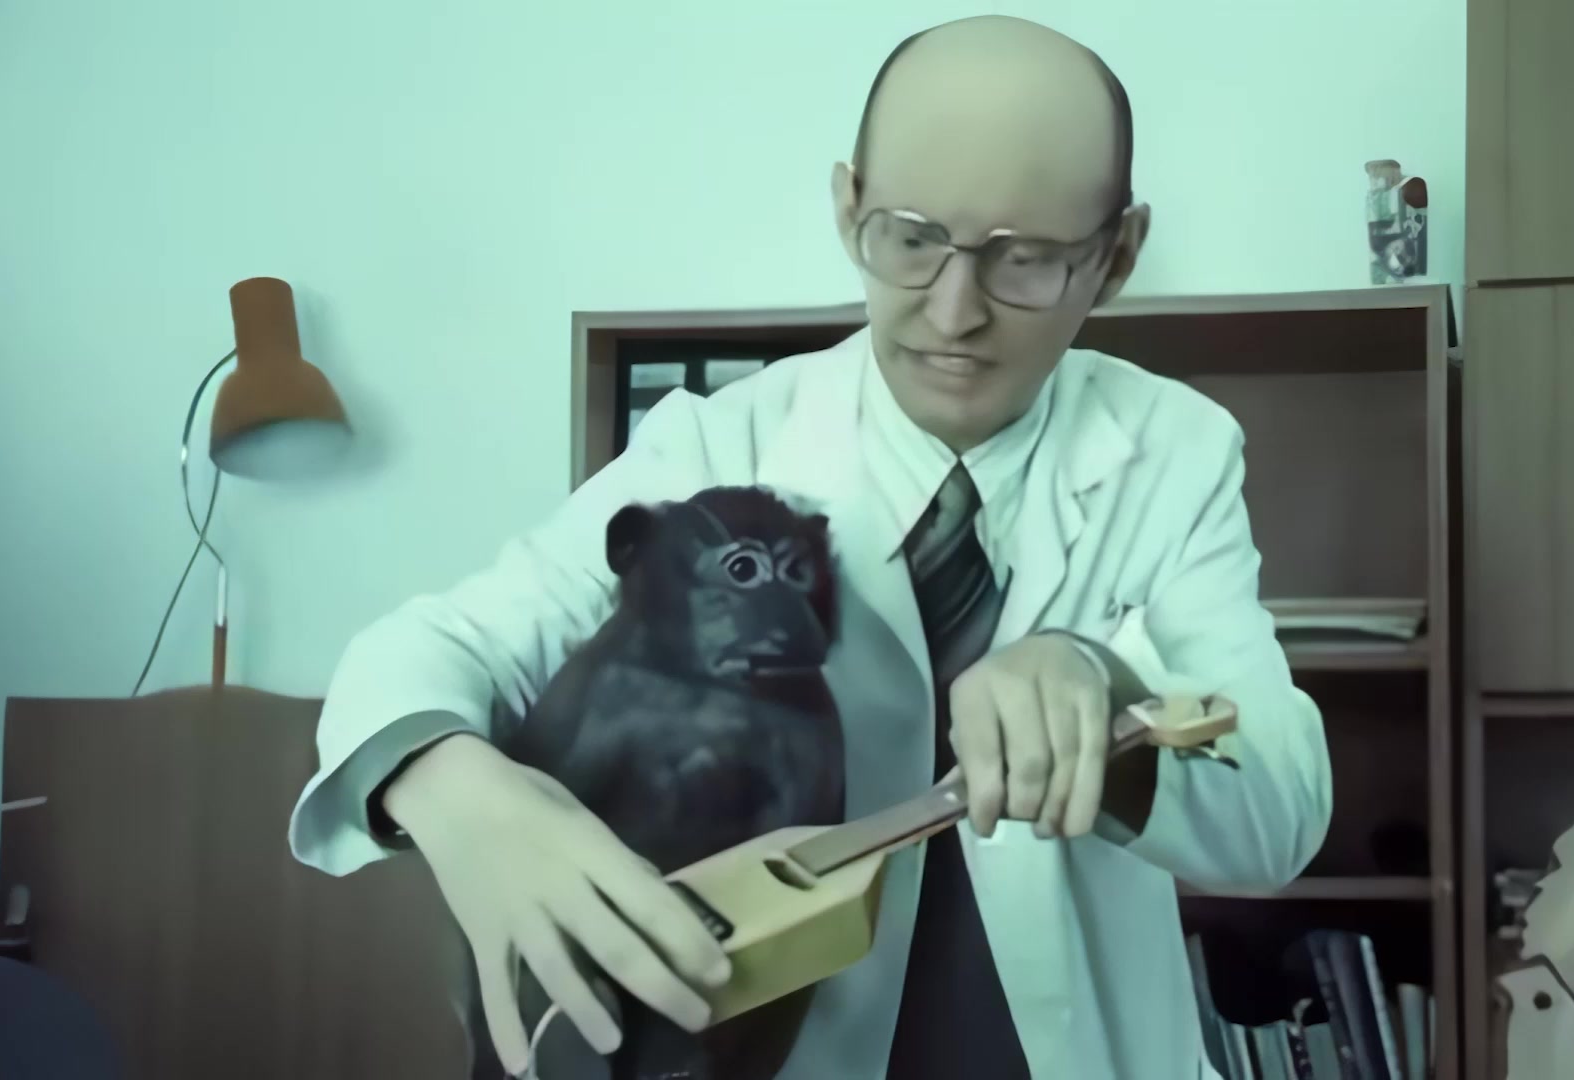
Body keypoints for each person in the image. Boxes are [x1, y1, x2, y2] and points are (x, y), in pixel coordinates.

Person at [288, 14, 1331, 1079]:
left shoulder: (1174, 452)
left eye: (1024, 261)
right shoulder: (717, 448)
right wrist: (456, 790)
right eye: (911, 239)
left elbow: (1280, 815)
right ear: (847, 208)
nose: (954, 313)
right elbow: (429, 649)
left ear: (1116, 257)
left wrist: (1105, 698)